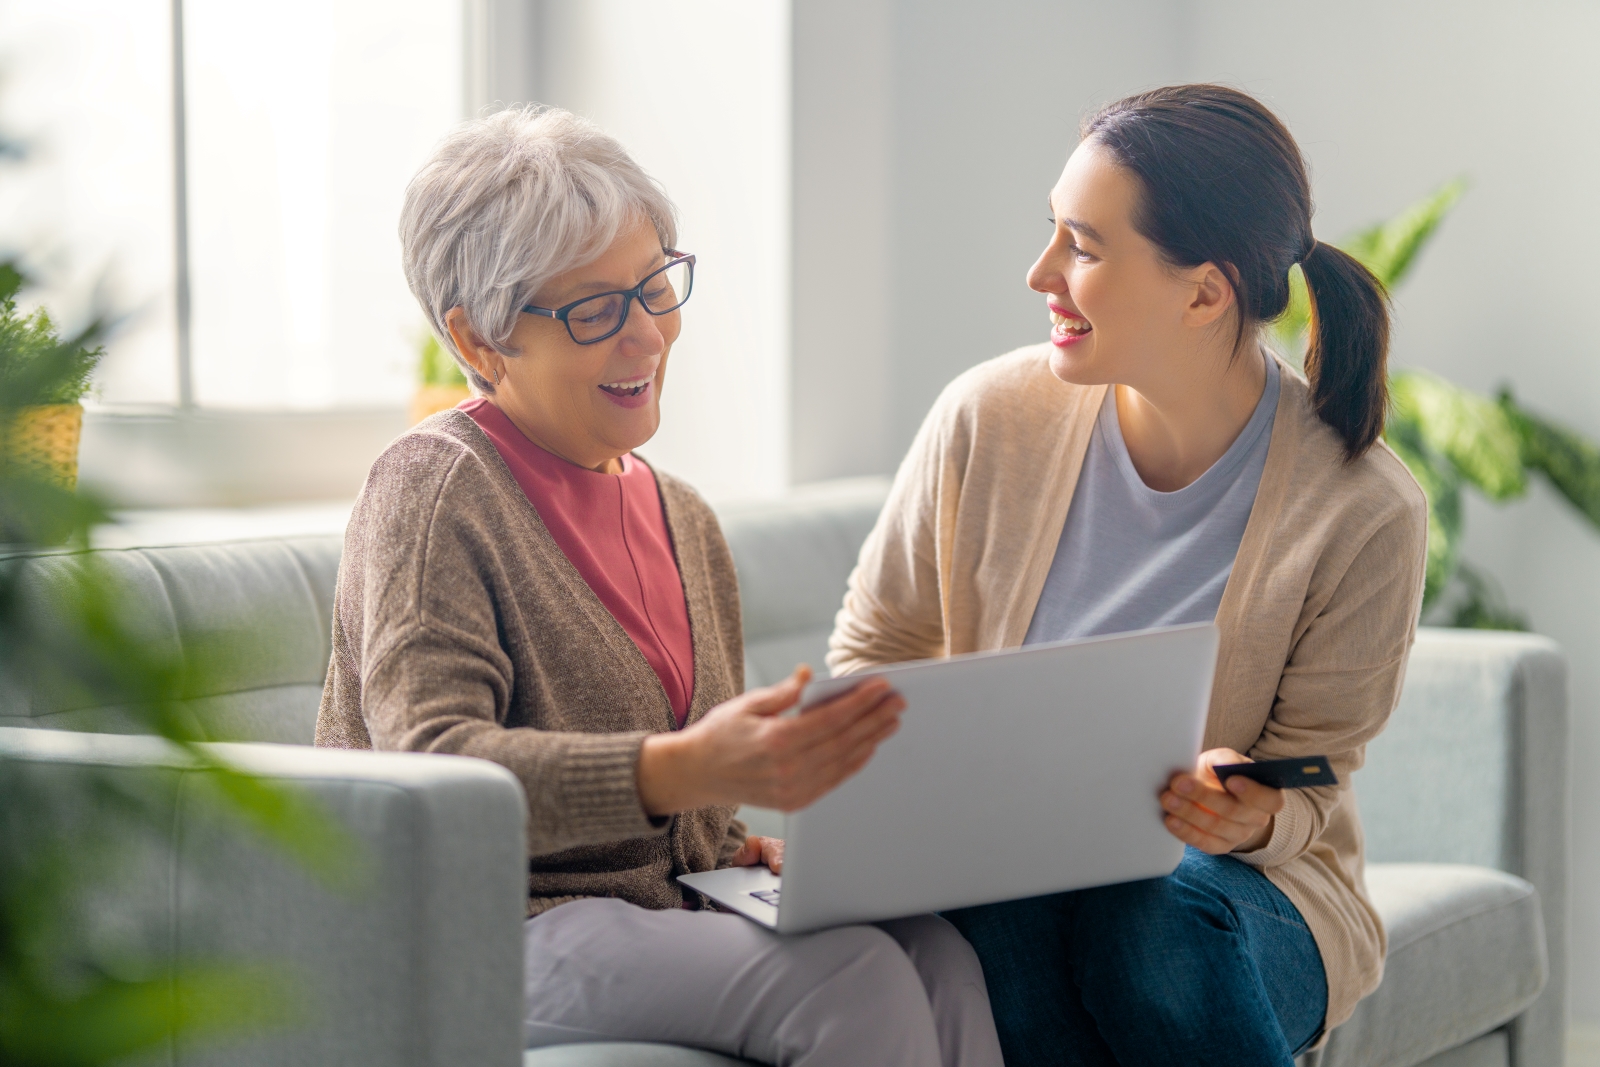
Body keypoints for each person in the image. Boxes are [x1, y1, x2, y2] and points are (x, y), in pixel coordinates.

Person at [315, 106, 1003, 1067]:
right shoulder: (434, 486)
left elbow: (688, 813)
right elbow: (438, 771)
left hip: (639, 911)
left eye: (653, 288)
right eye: (593, 310)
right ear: (478, 339)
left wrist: (729, 847)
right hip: (477, 923)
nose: (645, 337)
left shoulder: (683, 515)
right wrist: (683, 771)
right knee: (851, 977)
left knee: (936, 951)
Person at [828, 84, 1428, 1066]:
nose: (1039, 273)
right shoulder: (985, 419)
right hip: (1008, 873)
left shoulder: (1360, 508)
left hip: (1246, 896)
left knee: (1134, 912)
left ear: (1203, 290)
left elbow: (1316, 765)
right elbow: (876, 652)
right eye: (1053, 233)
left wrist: (1254, 804)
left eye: (1084, 246)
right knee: (1014, 909)